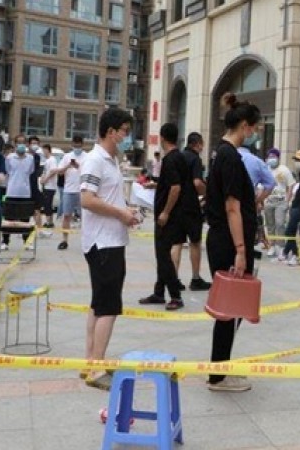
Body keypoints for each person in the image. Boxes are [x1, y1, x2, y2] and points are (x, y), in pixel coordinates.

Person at [80, 108, 142, 390]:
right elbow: (87, 199)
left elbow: (105, 197)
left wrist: (125, 211)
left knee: (99, 304)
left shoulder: (111, 159)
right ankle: (96, 367)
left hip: (110, 239)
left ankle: (90, 362)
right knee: (108, 307)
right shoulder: (96, 160)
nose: (127, 136)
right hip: (103, 242)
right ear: (111, 131)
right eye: (125, 131)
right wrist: (120, 213)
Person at [205, 92, 260, 392]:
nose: (255, 132)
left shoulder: (223, 153)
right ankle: (217, 375)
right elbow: (232, 207)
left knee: (232, 308)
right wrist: (240, 250)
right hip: (228, 242)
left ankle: (221, 368)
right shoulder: (228, 156)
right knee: (228, 310)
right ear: (244, 126)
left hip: (226, 238)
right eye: (254, 127)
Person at [140, 122, 188, 310]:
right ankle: (159, 292)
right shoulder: (179, 157)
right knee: (163, 254)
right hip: (176, 214)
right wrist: (157, 184)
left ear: (162, 138)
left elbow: (176, 188)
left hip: (168, 216)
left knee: (163, 255)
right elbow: (172, 184)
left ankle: (176, 295)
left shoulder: (170, 160)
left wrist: (165, 212)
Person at [173, 131, 210, 291]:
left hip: (176, 205)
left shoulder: (178, 157)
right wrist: (207, 192)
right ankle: (195, 278)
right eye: (202, 144)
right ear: (197, 144)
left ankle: (174, 279)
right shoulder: (195, 159)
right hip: (191, 205)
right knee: (195, 242)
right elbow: (197, 183)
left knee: (177, 243)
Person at [48, 136, 85, 251]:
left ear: (82, 145)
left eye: (79, 146)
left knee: (85, 217)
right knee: (67, 215)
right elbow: (59, 173)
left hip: (83, 190)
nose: (77, 148)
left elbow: (89, 172)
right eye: (75, 146)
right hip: (69, 190)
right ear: (72, 145)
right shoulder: (67, 156)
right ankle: (64, 240)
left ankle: (87, 240)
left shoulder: (87, 157)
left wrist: (78, 167)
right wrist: (68, 166)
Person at [0, 134, 35, 250]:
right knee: (8, 219)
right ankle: (5, 241)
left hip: (25, 192)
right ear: (15, 145)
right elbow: (8, 171)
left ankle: (26, 241)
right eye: (19, 142)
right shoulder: (9, 158)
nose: (21, 145)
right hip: (11, 191)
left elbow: (30, 171)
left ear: (26, 144)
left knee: (25, 219)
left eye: (23, 142)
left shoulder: (30, 158)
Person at [263, 148, 294, 257]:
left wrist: (287, 200)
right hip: (269, 200)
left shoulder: (284, 170)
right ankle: (271, 246)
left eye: (274, 157)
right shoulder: (265, 170)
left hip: (281, 201)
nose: (271, 159)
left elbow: (290, 185)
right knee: (270, 224)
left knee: (280, 224)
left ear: (278, 158)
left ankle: (280, 246)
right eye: (270, 157)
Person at [27, 136, 45, 233]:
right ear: (28, 144)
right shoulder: (24, 156)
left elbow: (37, 171)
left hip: (34, 185)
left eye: (36, 143)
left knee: (37, 208)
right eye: (33, 143)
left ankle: (40, 229)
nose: (35, 145)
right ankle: (23, 228)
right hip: (25, 185)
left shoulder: (37, 157)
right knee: (24, 208)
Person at [38, 144, 57, 228]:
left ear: (47, 150)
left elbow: (53, 171)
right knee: (47, 204)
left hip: (50, 186)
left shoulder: (52, 160)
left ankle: (49, 222)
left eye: (43, 150)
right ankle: (50, 221)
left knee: (47, 204)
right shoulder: (47, 160)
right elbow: (45, 172)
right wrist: (42, 178)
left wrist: (45, 179)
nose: (43, 153)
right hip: (46, 185)